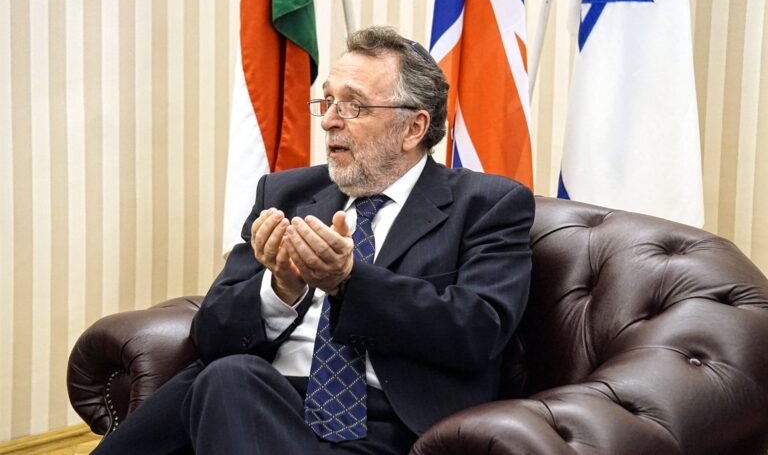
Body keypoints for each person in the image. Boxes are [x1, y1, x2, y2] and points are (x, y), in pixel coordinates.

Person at [93, 25, 534, 455]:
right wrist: (279, 289)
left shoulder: (486, 205)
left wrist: (349, 282)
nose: (328, 121)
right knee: (223, 377)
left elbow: (479, 330)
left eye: (353, 106)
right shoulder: (285, 194)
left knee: (227, 380)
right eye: (327, 101)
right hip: (261, 396)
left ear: (413, 128)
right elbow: (211, 334)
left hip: (384, 420)